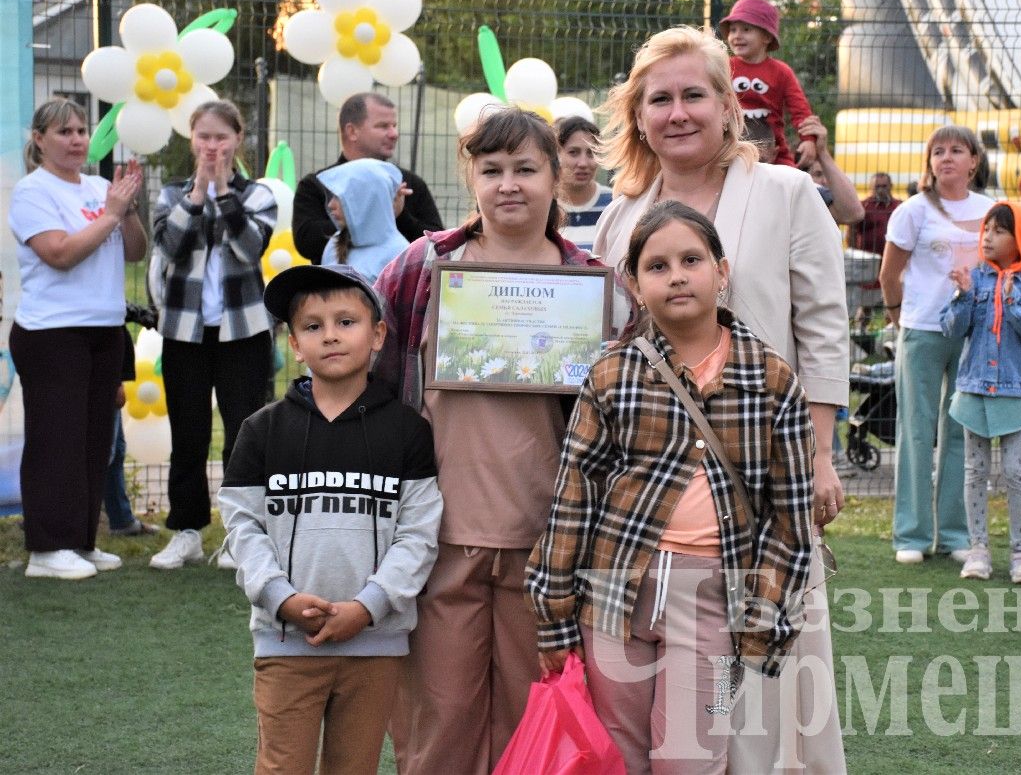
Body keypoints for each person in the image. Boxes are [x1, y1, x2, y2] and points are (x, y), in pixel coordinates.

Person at [590, 25, 848, 774]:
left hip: (765, 472)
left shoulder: (786, 191)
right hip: (651, 491)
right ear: (638, 116)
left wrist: (822, 453)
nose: (677, 112)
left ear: (728, 105)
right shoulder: (619, 216)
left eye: (693, 94)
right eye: (658, 99)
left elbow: (824, 329)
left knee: (772, 673)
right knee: (661, 689)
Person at [528, 201, 816, 774]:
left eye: (691, 260)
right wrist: (556, 615)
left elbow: (790, 517)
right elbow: (573, 501)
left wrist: (764, 619)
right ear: (634, 285)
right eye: (657, 266)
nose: (677, 275)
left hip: (714, 598)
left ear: (722, 271)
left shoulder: (772, 378)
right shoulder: (612, 374)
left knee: (692, 756)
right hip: (614, 594)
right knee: (614, 751)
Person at [374, 107, 607, 774]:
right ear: (469, 175)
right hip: (438, 534)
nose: (510, 184)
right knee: (438, 718)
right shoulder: (424, 265)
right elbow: (382, 386)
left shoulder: (590, 277)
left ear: (556, 176)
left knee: (527, 718)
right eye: (492, 168)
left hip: (544, 540)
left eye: (527, 169)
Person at [219, 263, 442, 774]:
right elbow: (242, 528)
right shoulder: (261, 431)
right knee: (283, 767)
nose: (331, 336)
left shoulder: (409, 432)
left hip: (375, 645)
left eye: (346, 321)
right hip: (286, 643)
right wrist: (281, 598)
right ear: (294, 344)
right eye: (313, 326)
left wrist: (368, 607)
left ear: (378, 334)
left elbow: (419, 534)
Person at [9, 98, 146, 579]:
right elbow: (60, 254)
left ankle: (81, 542)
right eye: (64, 131)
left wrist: (126, 212)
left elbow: (135, 251)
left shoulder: (98, 187)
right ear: (40, 139)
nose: (76, 139)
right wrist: (109, 214)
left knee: (94, 442)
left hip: (102, 331)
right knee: (56, 441)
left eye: (82, 130)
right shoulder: (32, 192)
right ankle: (47, 549)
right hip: (52, 334)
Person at [150, 100, 277, 570]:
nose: (212, 146)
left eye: (221, 137)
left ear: (237, 140)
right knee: (188, 433)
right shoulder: (171, 195)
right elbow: (170, 246)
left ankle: (242, 533)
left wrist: (224, 192)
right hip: (185, 332)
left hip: (243, 332)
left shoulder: (258, 194)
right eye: (203, 137)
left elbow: (248, 250)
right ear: (191, 140)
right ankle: (186, 530)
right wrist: (199, 193)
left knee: (244, 431)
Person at [878, 124, 993, 565]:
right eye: (938, 151)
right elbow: (890, 274)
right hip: (922, 330)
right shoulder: (913, 211)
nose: (946, 157)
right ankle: (911, 534)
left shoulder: (991, 209)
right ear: (929, 162)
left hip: (973, 333)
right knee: (916, 429)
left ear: (973, 161)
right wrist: (900, 320)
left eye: (956, 150)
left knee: (962, 429)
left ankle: (955, 534)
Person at [939, 202, 1021, 584]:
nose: (987, 236)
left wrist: (1013, 300)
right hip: (974, 390)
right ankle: (978, 550)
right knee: (975, 472)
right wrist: (963, 296)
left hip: (1014, 393)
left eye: (999, 230)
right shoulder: (974, 278)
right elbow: (953, 330)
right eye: (986, 229)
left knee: (1015, 472)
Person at [293, 92, 443, 262]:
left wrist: (401, 216)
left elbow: (438, 246)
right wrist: (374, 215)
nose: (394, 134)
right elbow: (307, 242)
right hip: (337, 287)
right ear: (352, 131)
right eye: (383, 126)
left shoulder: (408, 184)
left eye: (394, 125)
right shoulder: (317, 185)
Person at [718, 0, 816, 169]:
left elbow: (800, 109)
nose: (737, 36)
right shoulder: (724, 66)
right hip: (729, 149)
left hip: (772, 151)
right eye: (733, 30)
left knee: (790, 181)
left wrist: (808, 140)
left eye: (746, 29)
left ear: (767, 36)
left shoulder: (781, 72)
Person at [104, 321, 160, 537]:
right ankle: (68, 523)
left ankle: (121, 520)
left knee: (115, 450)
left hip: (111, 365)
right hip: (101, 368)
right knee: (103, 453)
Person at [316, 158, 409, 283]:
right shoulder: (334, 243)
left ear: (364, 199)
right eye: (332, 196)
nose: (331, 204)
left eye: (340, 197)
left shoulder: (400, 253)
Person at [555, 116, 612, 252]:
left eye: (591, 153)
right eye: (573, 153)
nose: (583, 163)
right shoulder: (544, 205)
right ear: (556, 155)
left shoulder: (613, 203)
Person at [795, 115, 864, 227]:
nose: (825, 181)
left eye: (827, 175)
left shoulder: (826, 201)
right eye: (818, 174)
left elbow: (855, 214)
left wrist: (822, 152)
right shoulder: (796, 193)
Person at [852, 172, 900, 257]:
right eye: (877, 187)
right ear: (871, 187)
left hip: (893, 257)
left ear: (891, 186)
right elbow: (852, 232)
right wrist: (855, 254)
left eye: (884, 186)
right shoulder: (863, 206)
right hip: (867, 258)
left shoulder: (899, 206)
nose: (881, 190)